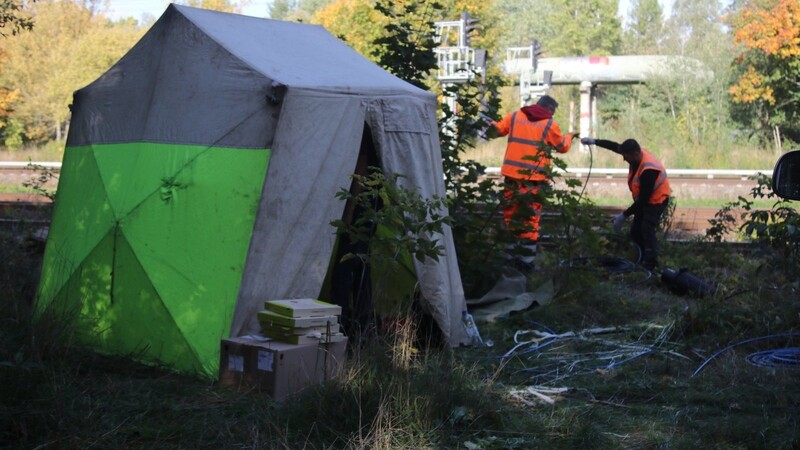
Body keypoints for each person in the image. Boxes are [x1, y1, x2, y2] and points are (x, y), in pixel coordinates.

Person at [490, 94, 578, 268]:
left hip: (512, 178)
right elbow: (562, 147)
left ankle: (509, 261)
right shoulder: (549, 124)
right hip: (534, 180)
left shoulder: (515, 116)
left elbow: (496, 131)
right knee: (530, 220)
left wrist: (488, 122)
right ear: (550, 110)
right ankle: (526, 264)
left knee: (511, 217)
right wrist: (570, 135)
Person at [580, 137, 672, 271]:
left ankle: (651, 265)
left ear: (635, 154)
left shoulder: (649, 170)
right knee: (635, 232)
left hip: (656, 201)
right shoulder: (634, 154)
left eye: (626, 157)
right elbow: (613, 146)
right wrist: (594, 141)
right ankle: (641, 258)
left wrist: (624, 215)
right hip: (644, 201)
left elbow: (644, 199)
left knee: (647, 228)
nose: (624, 159)